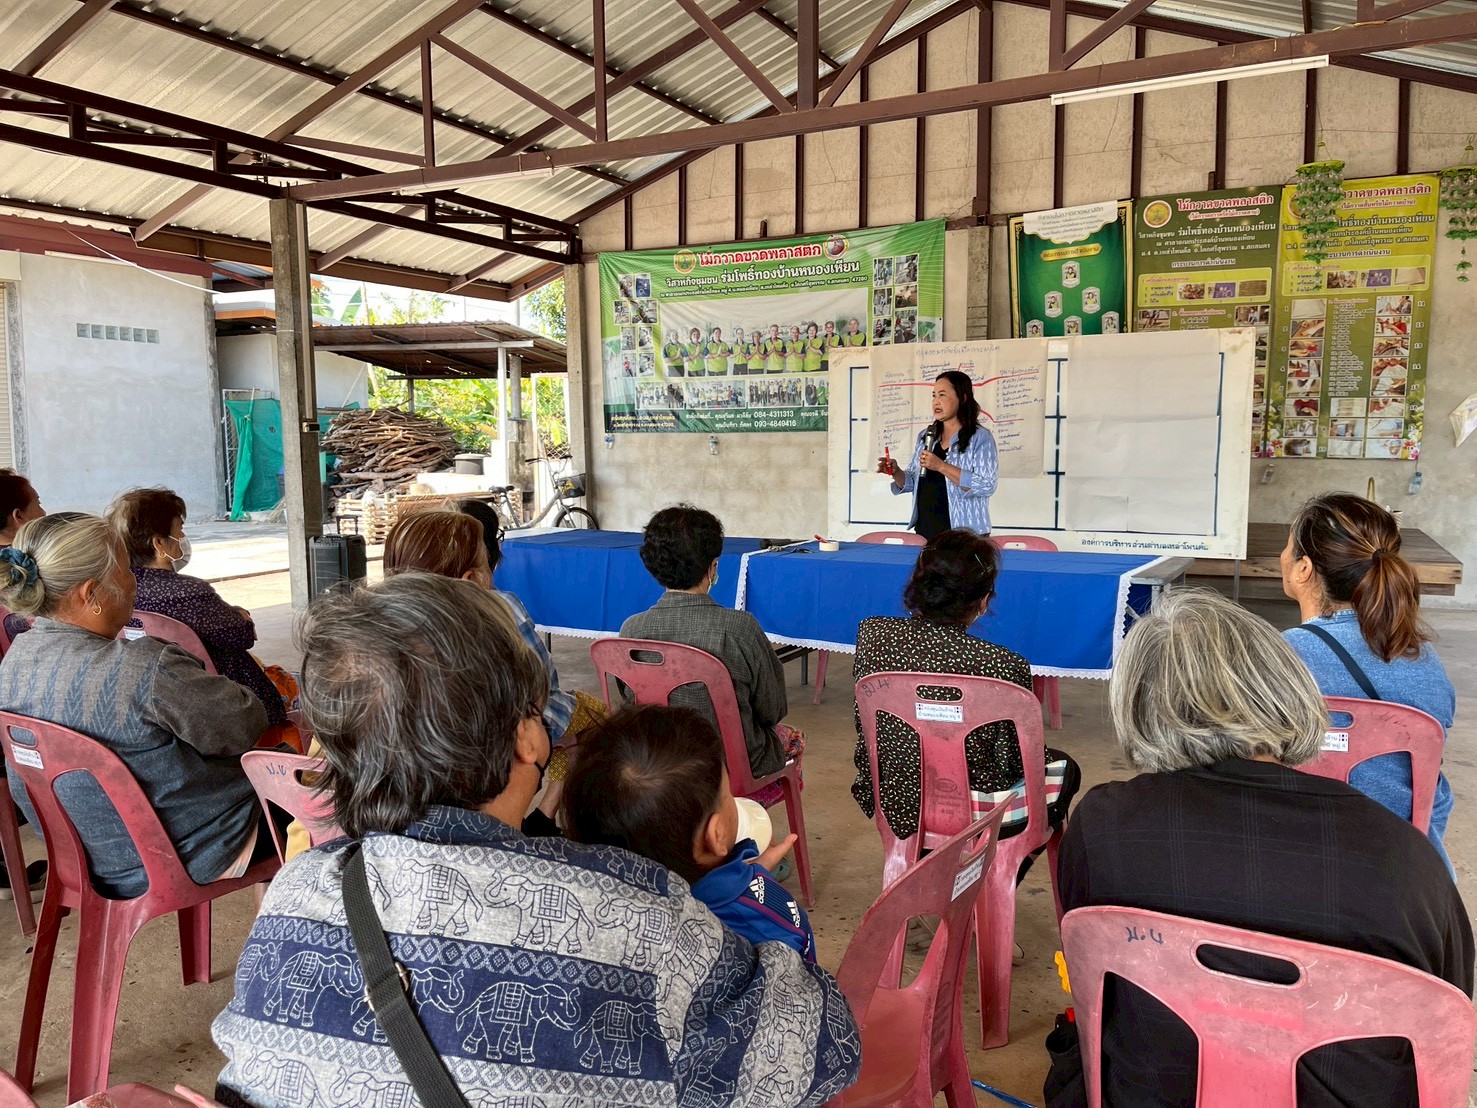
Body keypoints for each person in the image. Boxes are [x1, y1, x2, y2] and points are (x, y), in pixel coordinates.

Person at [213, 574, 859, 1107]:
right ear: (528, 738)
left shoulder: (297, 891)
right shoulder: (643, 917)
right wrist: (759, 913)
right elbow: (821, 1052)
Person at [1049, 589, 1472, 1108]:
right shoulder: (1400, 855)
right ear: (1285, 689)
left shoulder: (1103, 825)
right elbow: (1447, 1012)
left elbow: (1095, 981)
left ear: (1137, 705)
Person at [0, 514, 269, 898]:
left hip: (85, 863)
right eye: (126, 569)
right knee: (319, 797)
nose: (133, 581)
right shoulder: (144, 666)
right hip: (188, 853)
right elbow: (243, 725)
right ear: (90, 593)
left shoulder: (13, 663)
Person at [852, 529, 1079, 845]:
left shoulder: (873, 637)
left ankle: (931, 862)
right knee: (1067, 767)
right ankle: (998, 874)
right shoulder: (1003, 665)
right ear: (984, 601)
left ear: (917, 586)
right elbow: (1018, 763)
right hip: (975, 812)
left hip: (894, 798)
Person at [1280, 492, 1458, 871]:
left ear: (1303, 569)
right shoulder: (1424, 661)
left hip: (1301, 859)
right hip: (1410, 866)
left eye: (1288, 546)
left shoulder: (1277, 658)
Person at [562, 704, 813, 960]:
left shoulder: (596, 921)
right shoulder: (768, 925)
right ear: (715, 837)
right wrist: (750, 887)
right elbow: (804, 986)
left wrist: (748, 875)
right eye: (727, 795)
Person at [621, 506, 799, 803]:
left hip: (655, 763)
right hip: (731, 767)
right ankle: (743, 826)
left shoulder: (631, 630)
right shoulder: (740, 629)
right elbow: (773, 710)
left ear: (654, 567)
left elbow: (632, 704)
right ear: (713, 567)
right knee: (792, 738)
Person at [107, 488, 289, 726]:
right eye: (179, 529)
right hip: (220, 698)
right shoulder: (189, 592)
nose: (183, 536)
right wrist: (240, 616)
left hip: (152, 694)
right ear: (159, 543)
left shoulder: (118, 588)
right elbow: (240, 636)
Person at [877, 370, 999, 539]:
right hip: (926, 531)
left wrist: (941, 466)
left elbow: (986, 485)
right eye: (934, 396)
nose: (936, 401)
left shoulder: (980, 437)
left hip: (966, 535)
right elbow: (913, 481)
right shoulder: (927, 435)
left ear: (962, 398)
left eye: (942, 395)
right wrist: (896, 472)